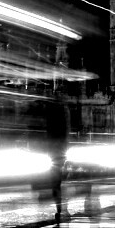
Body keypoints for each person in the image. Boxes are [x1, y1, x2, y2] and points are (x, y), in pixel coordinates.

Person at [44, 92, 70, 220]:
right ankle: (61, 209)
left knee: (56, 184)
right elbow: (65, 131)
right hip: (58, 150)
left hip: (54, 150)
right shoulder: (63, 110)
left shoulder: (52, 110)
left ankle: (60, 209)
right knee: (59, 183)